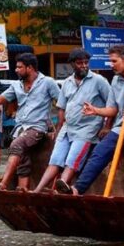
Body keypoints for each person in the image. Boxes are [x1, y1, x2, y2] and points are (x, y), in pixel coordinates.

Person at [59, 43, 124, 197]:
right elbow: (113, 109)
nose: (111, 65)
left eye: (114, 61)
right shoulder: (115, 81)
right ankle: (77, 189)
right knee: (99, 153)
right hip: (120, 127)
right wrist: (96, 110)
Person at [0, 53, 61, 191]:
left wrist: (58, 128)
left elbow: (62, 104)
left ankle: (3, 184)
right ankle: (22, 189)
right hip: (20, 128)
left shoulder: (48, 82)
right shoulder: (16, 85)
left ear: (29, 68)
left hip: (37, 127)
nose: (16, 70)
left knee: (16, 145)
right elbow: (0, 99)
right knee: (23, 159)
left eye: (19, 67)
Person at [33, 48, 111, 192]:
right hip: (67, 129)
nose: (84, 66)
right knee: (55, 160)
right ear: (72, 64)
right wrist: (58, 129)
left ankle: (61, 187)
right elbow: (61, 108)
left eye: (86, 63)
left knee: (72, 160)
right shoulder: (67, 82)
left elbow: (112, 105)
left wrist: (107, 126)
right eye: (80, 63)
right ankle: (37, 190)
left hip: (87, 129)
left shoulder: (99, 81)